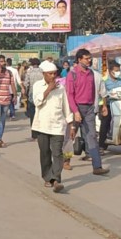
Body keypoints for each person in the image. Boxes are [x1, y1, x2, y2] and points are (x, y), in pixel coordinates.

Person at [66, 49, 110, 176]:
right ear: (79, 60)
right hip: (75, 107)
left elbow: (94, 92)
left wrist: (101, 105)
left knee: (91, 136)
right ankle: (66, 160)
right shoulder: (72, 74)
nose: (89, 60)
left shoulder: (91, 73)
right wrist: (75, 111)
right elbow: (70, 95)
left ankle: (97, 166)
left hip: (89, 108)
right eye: (86, 58)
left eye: (90, 58)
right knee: (71, 135)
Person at [32, 60, 72, 192]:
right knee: (45, 152)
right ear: (44, 74)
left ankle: (56, 179)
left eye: (55, 74)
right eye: (50, 74)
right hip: (42, 125)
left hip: (58, 125)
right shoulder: (38, 85)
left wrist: (71, 124)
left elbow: (66, 106)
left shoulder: (61, 88)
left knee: (57, 153)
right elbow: (37, 102)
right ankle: (47, 177)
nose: (53, 76)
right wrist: (48, 89)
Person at [101, 61, 121, 150]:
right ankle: (101, 145)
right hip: (109, 104)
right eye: (116, 70)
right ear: (110, 71)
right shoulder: (105, 82)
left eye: (119, 70)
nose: (118, 72)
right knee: (106, 121)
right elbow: (102, 93)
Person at [0, 55, 16, 148]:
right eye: (1, 61)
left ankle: (0, 137)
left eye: (3, 61)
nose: (3, 63)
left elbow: (12, 84)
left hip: (6, 98)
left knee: (3, 120)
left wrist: (15, 96)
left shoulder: (9, 72)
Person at [23, 58, 44, 140]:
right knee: (41, 115)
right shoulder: (42, 71)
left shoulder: (29, 72)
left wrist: (25, 93)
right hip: (42, 95)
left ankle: (34, 135)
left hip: (32, 95)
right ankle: (41, 133)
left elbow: (26, 84)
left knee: (33, 116)